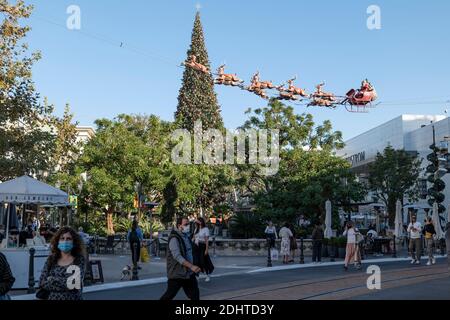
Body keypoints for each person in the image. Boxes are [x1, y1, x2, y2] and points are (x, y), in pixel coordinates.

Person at [38, 227, 85, 300]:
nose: (65, 241)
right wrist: (65, 281)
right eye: (62, 238)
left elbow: (74, 284)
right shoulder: (51, 259)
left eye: (68, 239)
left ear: (74, 242)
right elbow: (41, 282)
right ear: (58, 241)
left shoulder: (79, 259)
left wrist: (52, 280)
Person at [160, 217, 201, 300]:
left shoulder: (186, 237)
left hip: (188, 274)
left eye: (188, 224)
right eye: (186, 224)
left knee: (195, 295)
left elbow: (190, 252)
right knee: (169, 295)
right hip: (177, 273)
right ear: (179, 226)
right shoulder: (174, 238)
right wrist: (191, 266)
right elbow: (177, 256)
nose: (188, 226)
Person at [192, 218, 215, 282]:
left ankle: (208, 275)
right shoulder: (196, 229)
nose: (197, 223)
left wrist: (206, 249)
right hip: (195, 246)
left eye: (198, 221)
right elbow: (193, 238)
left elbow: (206, 240)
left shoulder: (205, 229)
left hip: (202, 246)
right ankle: (197, 275)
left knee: (203, 261)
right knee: (196, 261)